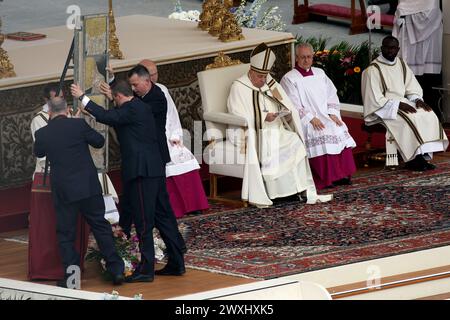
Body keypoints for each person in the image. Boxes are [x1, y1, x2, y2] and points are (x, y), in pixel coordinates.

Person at [71, 80, 186, 282]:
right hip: (155, 169)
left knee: (143, 221)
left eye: (114, 99)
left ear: (118, 97)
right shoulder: (140, 106)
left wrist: (82, 96)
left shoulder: (130, 109)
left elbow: (109, 116)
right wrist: (95, 111)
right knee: (163, 217)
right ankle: (177, 262)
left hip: (142, 173)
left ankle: (146, 270)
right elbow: (116, 119)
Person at [226, 43, 333, 208]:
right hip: (255, 131)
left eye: (265, 76)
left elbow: (285, 102)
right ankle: (277, 194)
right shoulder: (239, 87)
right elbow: (236, 113)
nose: (263, 80)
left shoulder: (269, 83)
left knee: (295, 142)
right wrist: (262, 117)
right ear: (251, 73)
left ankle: (297, 190)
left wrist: (285, 111)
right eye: (259, 77)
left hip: (276, 127)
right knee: (273, 146)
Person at [33, 97, 125, 287]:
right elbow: (99, 142)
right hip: (88, 187)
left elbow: (39, 153)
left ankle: (72, 278)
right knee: (100, 227)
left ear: (49, 112)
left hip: (65, 191)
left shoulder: (43, 133)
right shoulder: (79, 125)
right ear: (67, 109)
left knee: (66, 234)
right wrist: (78, 124)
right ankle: (116, 270)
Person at [28, 84, 90, 281]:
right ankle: (55, 269)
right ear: (47, 100)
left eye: (62, 96)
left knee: (71, 227)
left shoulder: (68, 116)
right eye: (57, 97)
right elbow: (44, 151)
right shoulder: (39, 121)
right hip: (49, 177)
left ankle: (74, 271)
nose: (61, 100)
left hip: (71, 176)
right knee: (55, 227)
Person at [361, 36, 448, 171]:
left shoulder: (401, 64)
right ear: (381, 48)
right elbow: (373, 98)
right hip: (383, 108)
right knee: (409, 119)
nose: (390, 51)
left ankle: (423, 156)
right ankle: (413, 160)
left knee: (427, 114)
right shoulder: (373, 70)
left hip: (402, 102)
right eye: (387, 48)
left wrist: (417, 100)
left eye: (393, 48)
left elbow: (411, 86)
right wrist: (397, 105)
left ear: (398, 49)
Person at [138, 59, 209, 218]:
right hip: (152, 140)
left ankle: (193, 205)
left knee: (184, 156)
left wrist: (176, 135)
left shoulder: (162, 89)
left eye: (156, 73)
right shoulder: (137, 93)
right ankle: (174, 209)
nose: (154, 77)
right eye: (151, 75)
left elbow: (173, 115)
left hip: (169, 135)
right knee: (168, 162)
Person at [281, 43, 357, 190]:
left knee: (337, 127)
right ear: (296, 58)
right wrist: (310, 118)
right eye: (302, 57)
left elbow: (331, 96)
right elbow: (293, 104)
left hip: (325, 115)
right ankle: (327, 179)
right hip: (305, 119)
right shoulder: (289, 79)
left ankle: (341, 175)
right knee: (321, 130)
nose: (306, 60)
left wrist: (333, 114)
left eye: (309, 57)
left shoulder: (320, 73)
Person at [392, 0, 443, 119]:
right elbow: (400, 11)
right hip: (408, 42)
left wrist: (406, 18)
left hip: (429, 40)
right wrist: (403, 18)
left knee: (428, 83)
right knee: (408, 79)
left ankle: (431, 117)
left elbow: (432, 14)